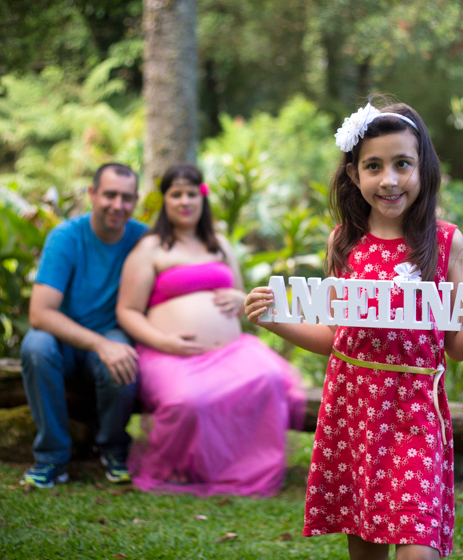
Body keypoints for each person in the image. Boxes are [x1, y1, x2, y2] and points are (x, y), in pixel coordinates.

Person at [244, 99, 463, 559]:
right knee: (364, 542)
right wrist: (275, 321)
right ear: (354, 175)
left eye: (402, 164)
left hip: (415, 413)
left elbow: (457, 347)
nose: (389, 179)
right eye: (374, 166)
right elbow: (335, 337)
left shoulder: (446, 242)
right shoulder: (342, 241)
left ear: (422, 167)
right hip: (355, 409)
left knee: (417, 546)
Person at [116, 162, 307, 497]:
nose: (184, 201)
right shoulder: (151, 248)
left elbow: (242, 294)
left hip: (230, 352)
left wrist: (238, 296)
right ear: (165, 200)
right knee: (187, 402)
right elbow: (128, 311)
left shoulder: (218, 243)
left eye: (191, 193)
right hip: (169, 353)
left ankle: (241, 468)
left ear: (202, 198)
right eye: (176, 194)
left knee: (273, 379)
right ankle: (182, 469)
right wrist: (164, 341)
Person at [20, 163, 148, 488]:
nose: (118, 205)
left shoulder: (143, 238)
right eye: (110, 195)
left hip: (111, 331)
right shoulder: (65, 237)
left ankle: (114, 450)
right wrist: (100, 344)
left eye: (127, 198)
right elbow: (39, 313)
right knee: (35, 346)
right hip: (62, 341)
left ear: (136, 200)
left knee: (123, 354)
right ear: (92, 194)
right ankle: (52, 458)